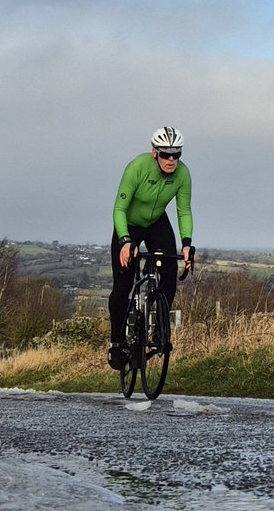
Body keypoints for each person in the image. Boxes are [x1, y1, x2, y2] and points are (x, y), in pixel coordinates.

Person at [108, 126, 194, 370]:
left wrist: (187, 245)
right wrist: (125, 241)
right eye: (166, 154)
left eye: (176, 154)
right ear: (154, 153)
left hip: (156, 223)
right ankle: (116, 342)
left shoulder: (183, 175)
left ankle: (159, 331)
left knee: (169, 272)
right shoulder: (137, 167)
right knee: (122, 286)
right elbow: (119, 209)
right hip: (130, 225)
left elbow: (184, 211)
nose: (171, 160)